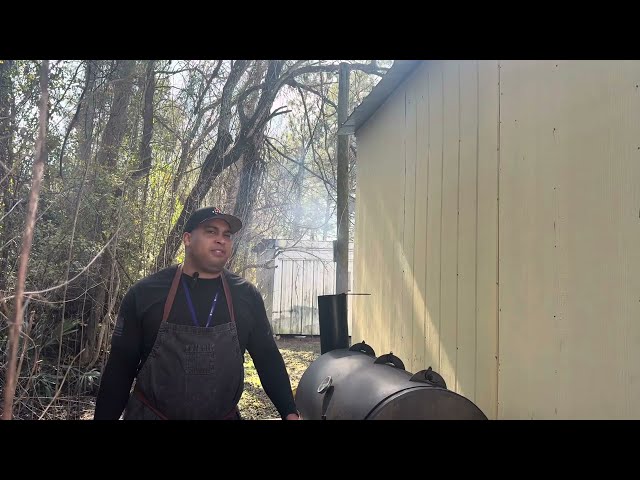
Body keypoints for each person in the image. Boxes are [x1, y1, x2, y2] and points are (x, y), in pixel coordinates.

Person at [94, 207, 300, 420]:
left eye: (226, 235)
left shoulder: (246, 296)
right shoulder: (145, 293)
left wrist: (289, 412)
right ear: (187, 238)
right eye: (211, 231)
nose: (221, 239)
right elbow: (120, 367)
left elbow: (267, 358)